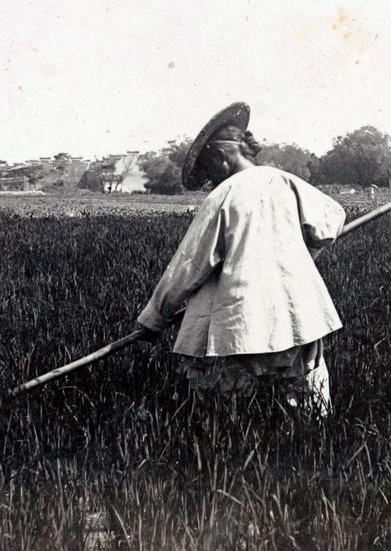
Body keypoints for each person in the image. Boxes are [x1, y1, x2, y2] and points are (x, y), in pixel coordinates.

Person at [134, 102, 346, 413]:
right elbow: (333, 218)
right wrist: (303, 257)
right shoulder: (285, 181)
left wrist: (154, 318)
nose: (210, 179)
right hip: (299, 316)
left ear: (221, 157)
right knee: (304, 410)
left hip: (241, 325)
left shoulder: (223, 196)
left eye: (208, 170)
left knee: (229, 417)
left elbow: (190, 266)